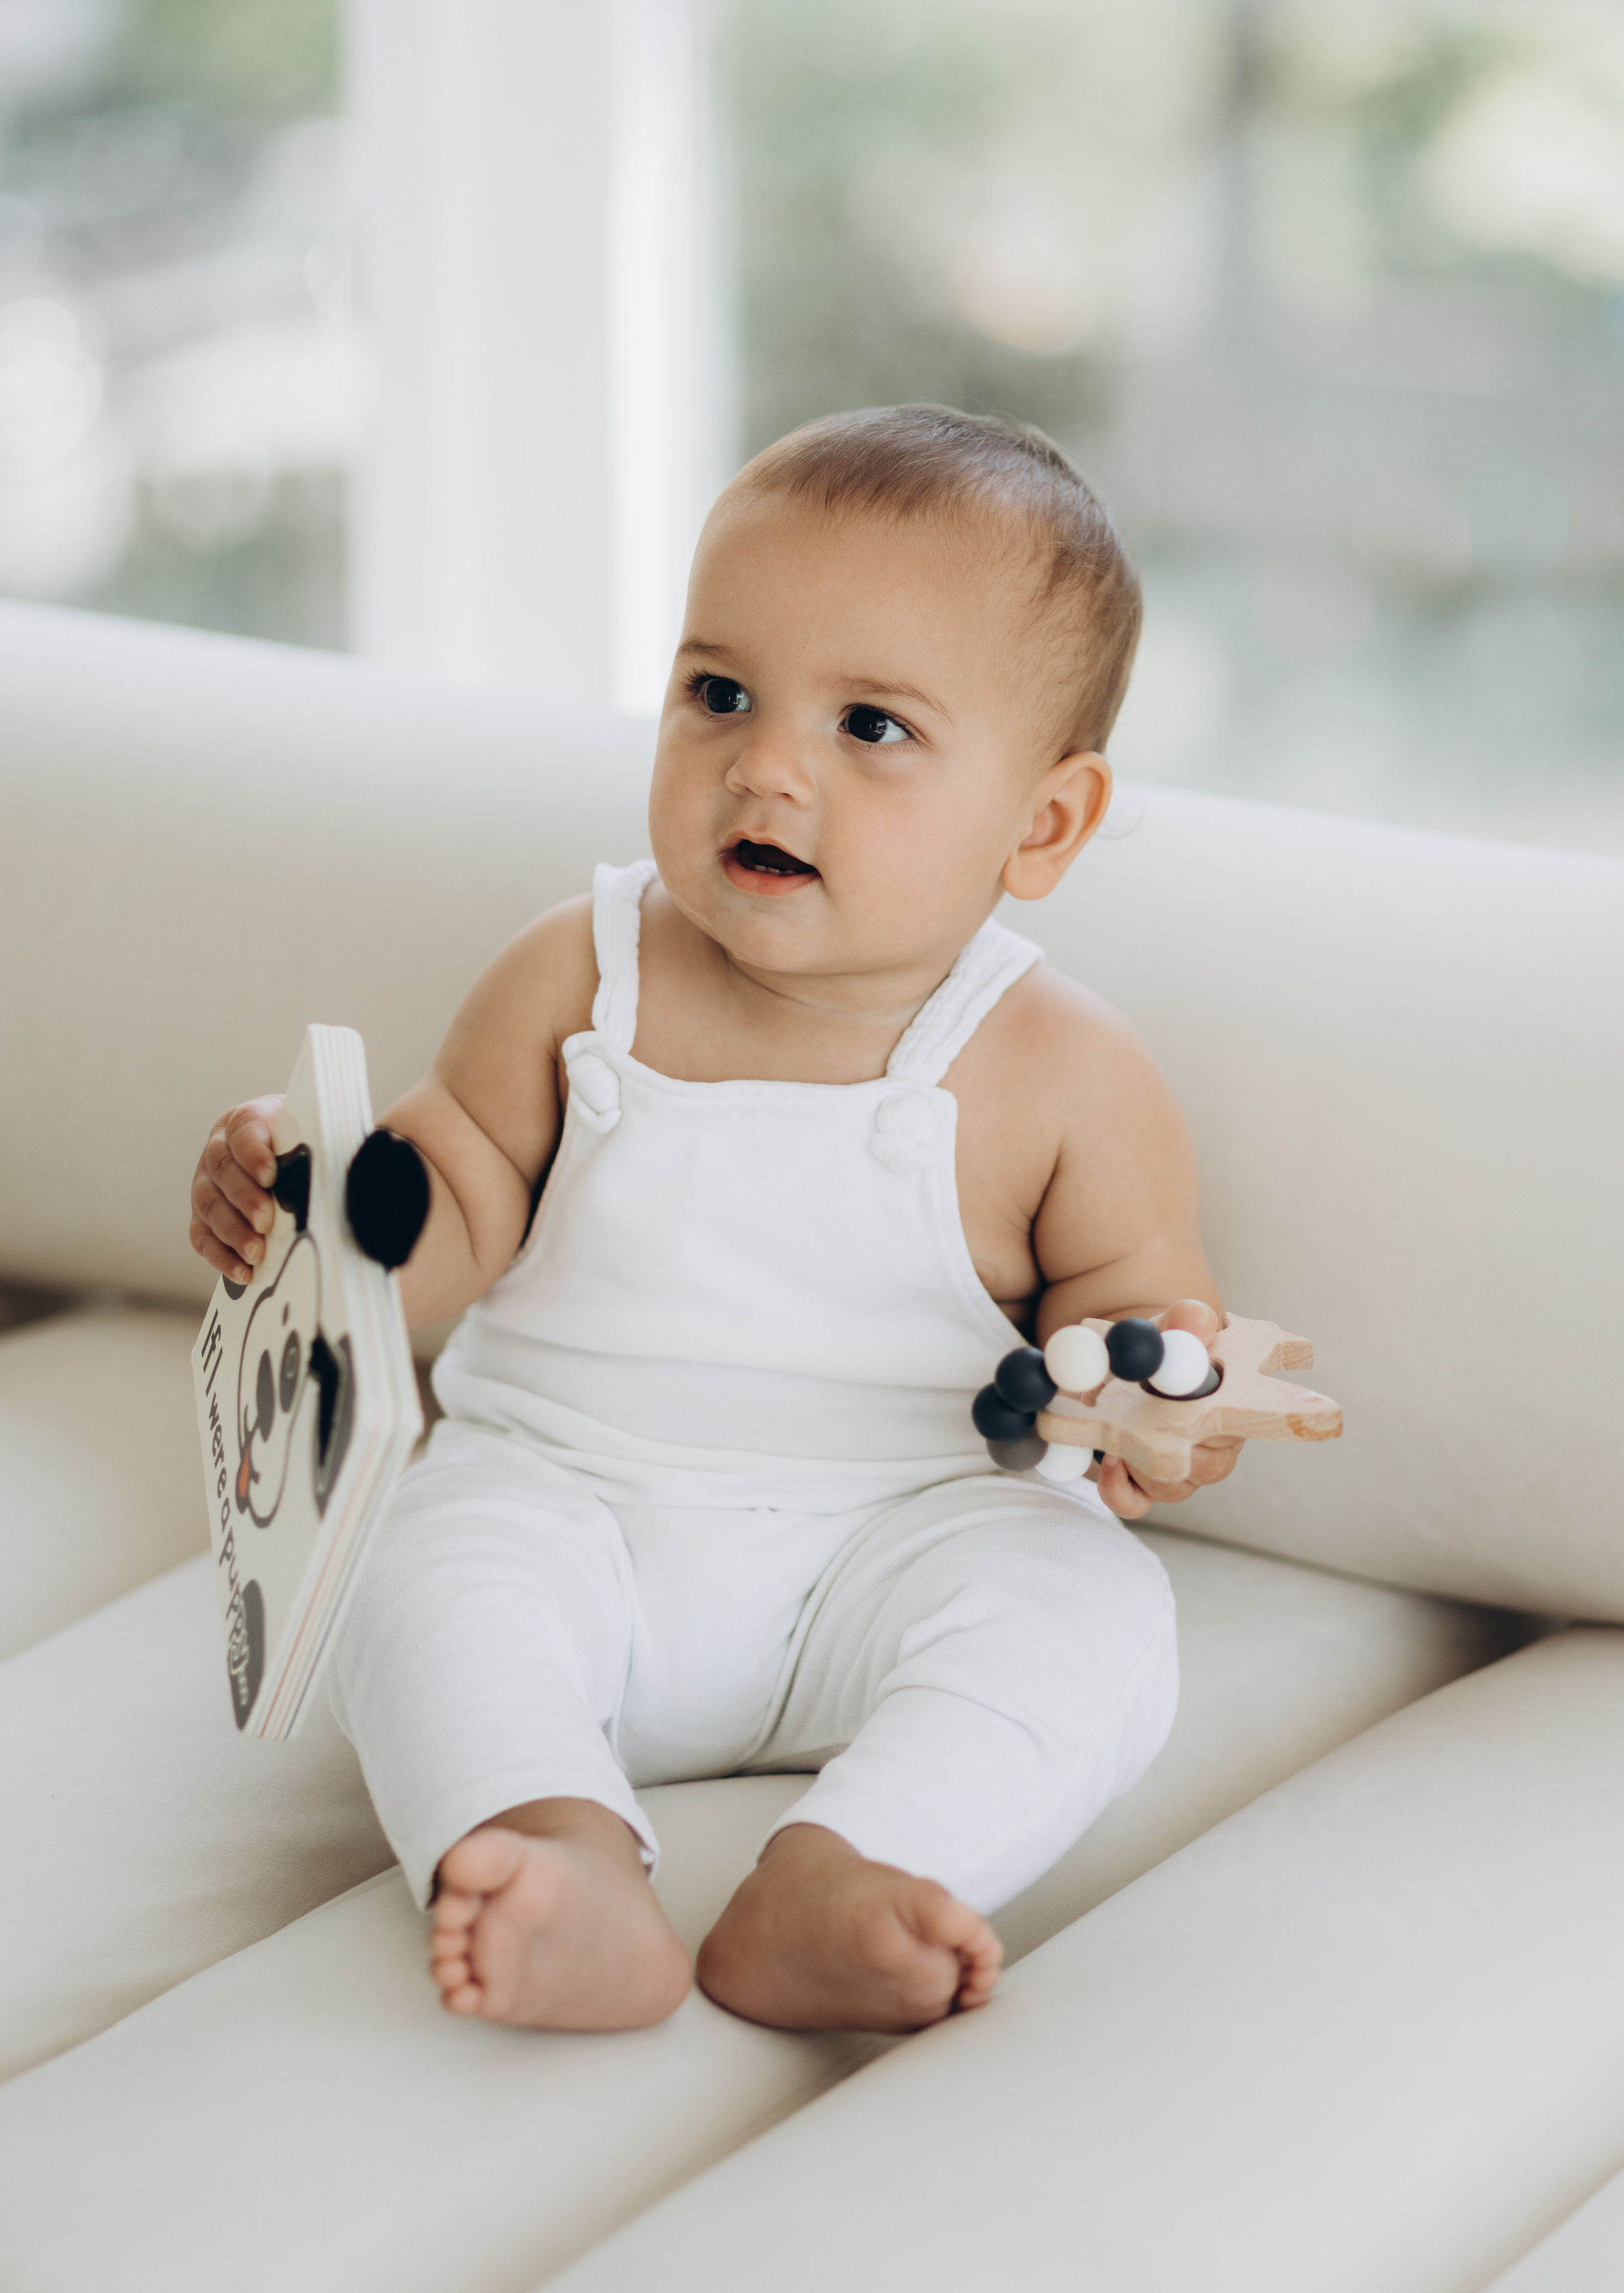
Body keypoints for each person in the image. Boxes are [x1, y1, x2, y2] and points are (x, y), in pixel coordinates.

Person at [189, 404, 1240, 2040]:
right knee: (424, 1571)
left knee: (1093, 1617)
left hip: (898, 1535)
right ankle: (551, 1843)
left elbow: (1140, 1305)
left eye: (870, 726)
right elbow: (449, 1192)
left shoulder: (1063, 1073)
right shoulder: (579, 968)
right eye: (718, 693)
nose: (764, 763)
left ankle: (859, 1863)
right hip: (570, 1501)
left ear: (1040, 825)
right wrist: (318, 1217)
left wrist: (1144, 1398)